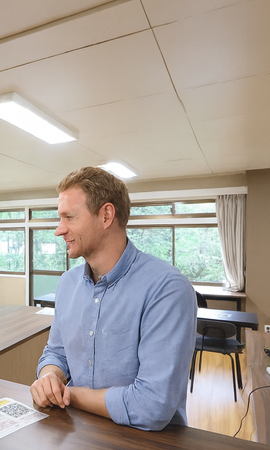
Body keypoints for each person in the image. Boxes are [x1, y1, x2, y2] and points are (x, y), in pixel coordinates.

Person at [30, 167, 196, 431]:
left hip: (148, 448)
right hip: (79, 437)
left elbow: (152, 406)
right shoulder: (67, 283)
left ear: (106, 215)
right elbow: (57, 352)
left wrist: (69, 395)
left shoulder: (166, 288)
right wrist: (50, 378)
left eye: (69, 217)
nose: (59, 230)